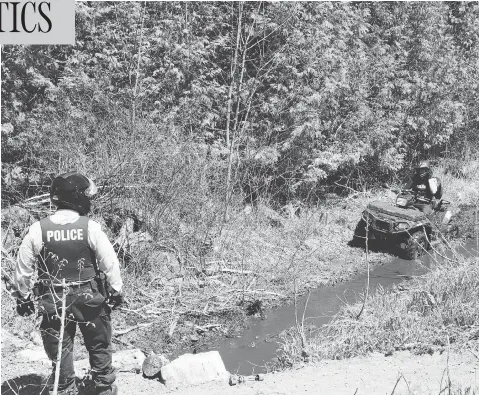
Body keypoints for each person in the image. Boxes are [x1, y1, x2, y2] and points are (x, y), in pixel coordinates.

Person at [14, 172, 124, 395]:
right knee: (99, 343)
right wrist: (116, 290)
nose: (88, 199)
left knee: (60, 348)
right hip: (89, 297)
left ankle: (65, 388)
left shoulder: (38, 229)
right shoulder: (90, 227)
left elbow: (22, 268)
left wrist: (23, 297)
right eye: (86, 194)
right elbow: (109, 263)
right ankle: (103, 387)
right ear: (76, 197)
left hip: (53, 299)